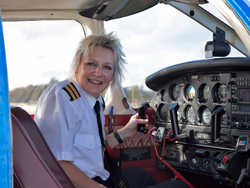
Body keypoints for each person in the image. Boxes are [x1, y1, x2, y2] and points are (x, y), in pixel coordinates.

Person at [34, 32, 190, 188]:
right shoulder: (63, 98)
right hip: (78, 184)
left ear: (112, 76)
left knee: (140, 176)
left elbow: (95, 146)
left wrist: (126, 131)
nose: (98, 73)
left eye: (107, 67)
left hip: (98, 178)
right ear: (77, 65)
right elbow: (58, 164)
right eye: (91, 64)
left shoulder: (94, 100)